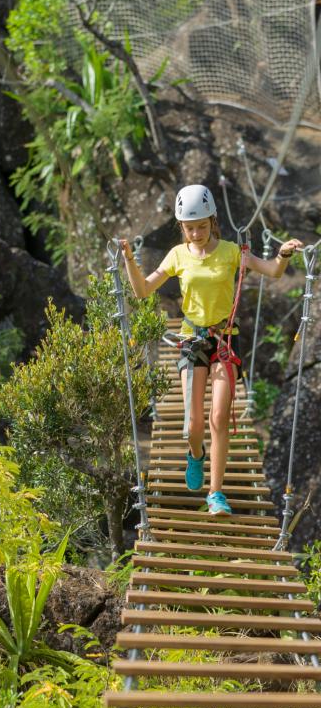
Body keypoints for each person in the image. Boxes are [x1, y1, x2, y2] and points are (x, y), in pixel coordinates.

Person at [120, 184, 303, 516]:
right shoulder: (177, 255)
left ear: (212, 221)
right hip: (191, 339)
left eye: (202, 226)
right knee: (193, 427)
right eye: (190, 228)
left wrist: (284, 253)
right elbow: (143, 290)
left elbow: (274, 272)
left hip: (224, 339)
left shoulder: (233, 251)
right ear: (182, 228)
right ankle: (195, 454)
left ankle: (216, 494)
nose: (196, 233)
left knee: (219, 416)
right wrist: (131, 260)